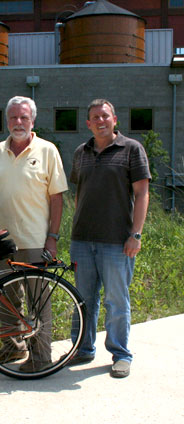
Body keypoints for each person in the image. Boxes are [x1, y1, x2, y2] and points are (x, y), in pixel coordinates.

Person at [69, 98, 151, 378]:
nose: (100, 121)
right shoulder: (81, 152)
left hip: (117, 242)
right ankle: (82, 349)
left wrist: (135, 235)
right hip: (82, 240)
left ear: (115, 119)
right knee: (83, 300)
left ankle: (120, 354)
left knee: (116, 300)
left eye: (105, 116)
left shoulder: (132, 149)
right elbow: (80, 192)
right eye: (95, 117)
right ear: (88, 123)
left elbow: (142, 194)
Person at [0, 96, 68, 372]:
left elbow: (57, 199)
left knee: (38, 303)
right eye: (13, 117)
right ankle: (12, 349)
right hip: (4, 242)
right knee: (6, 299)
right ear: (7, 120)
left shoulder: (47, 150)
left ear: (33, 120)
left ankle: (41, 358)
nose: (18, 122)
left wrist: (53, 238)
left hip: (35, 241)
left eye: (24, 117)